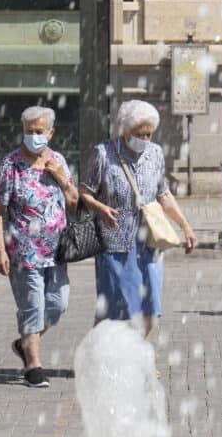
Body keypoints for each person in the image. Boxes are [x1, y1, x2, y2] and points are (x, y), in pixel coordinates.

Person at [79, 99, 197, 337]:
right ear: (125, 129)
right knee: (115, 309)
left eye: (149, 134)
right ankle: (99, 357)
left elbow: (163, 194)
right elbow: (83, 193)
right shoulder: (103, 153)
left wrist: (185, 225)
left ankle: (137, 356)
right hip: (115, 244)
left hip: (150, 242)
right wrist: (101, 208)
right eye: (139, 134)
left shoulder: (155, 154)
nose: (144, 140)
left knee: (150, 307)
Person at [0, 106, 78, 387]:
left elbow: (75, 201)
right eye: (29, 131)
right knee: (32, 307)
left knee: (57, 305)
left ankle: (27, 341)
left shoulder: (59, 160)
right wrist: (0, 250)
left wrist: (61, 177)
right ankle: (33, 365)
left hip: (57, 251)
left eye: (39, 132)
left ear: (51, 133)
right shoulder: (11, 164)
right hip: (24, 252)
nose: (34, 136)